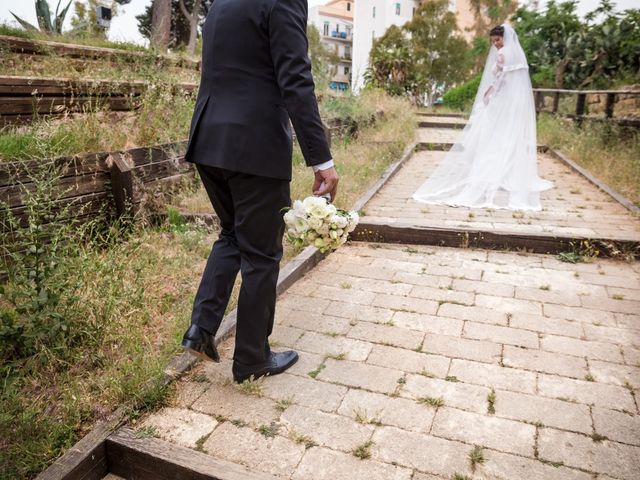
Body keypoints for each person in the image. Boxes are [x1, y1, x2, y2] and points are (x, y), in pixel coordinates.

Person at [180, 0, 339, 383]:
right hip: (253, 145)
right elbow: (295, 79)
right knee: (263, 254)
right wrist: (321, 159)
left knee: (233, 233)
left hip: (208, 139)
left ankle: (201, 329)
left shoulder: (221, 4)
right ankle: (252, 357)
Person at [412, 24, 553, 211]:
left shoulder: (503, 54)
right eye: (493, 41)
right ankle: (507, 174)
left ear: (505, 38)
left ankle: (492, 174)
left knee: (494, 136)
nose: (495, 44)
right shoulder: (519, 53)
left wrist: (490, 94)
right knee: (510, 137)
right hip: (515, 103)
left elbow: (501, 80)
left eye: (497, 40)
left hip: (502, 101)